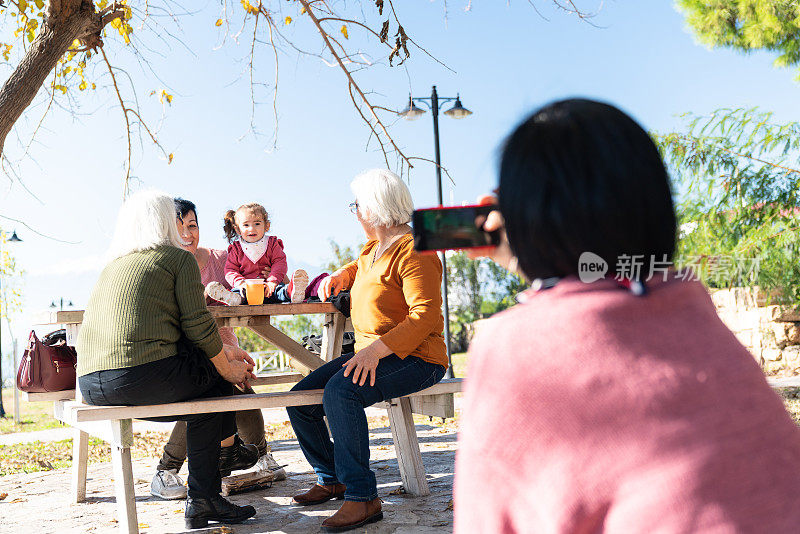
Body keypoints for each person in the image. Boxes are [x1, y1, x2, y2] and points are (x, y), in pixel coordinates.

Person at [454, 99, 800, 533]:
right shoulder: (688, 305)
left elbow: (486, 522)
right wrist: (535, 255)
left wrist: (531, 250)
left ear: (528, 218)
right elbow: (598, 280)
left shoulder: (512, 346)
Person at [76, 190, 259, 529]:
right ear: (164, 222)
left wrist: (225, 356)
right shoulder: (177, 259)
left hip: (91, 385)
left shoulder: (114, 264)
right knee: (216, 385)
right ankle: (206, 493)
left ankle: (222, 463)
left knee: (212, 379)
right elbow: (198, 323)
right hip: (137, 377)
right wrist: (228, 366)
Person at [287, 169, 447, 532]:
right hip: (372, 352)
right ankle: (333, 478)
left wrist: (375, 352)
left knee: (341, 392)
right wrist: (340, 275)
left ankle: (362, 498)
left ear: (374, 209)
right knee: (301, 399)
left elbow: (424, 316)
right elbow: (361, 266)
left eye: (357, 205)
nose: (355, 212)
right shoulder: (375, 248)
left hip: (418, 357)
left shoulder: (416, 250)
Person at [149, 198, 288, 501]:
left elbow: (261, 271)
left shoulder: (220, 257)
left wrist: (272, 277)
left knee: (231, 385)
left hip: (225, 346)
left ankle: (170, 470)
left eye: (193, 225)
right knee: (214, 389)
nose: (187, 233)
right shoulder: (162, 267)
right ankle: (170, 469)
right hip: (187, 353)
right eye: (179, 226)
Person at [207, 202, 307, 305]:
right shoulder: (236, 249)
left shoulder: (272, 244)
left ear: (266, 226)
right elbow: (230, 270)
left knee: (279, 291)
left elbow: (280, 263)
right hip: (246, 290)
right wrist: (240, 283)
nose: (252, 228)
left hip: (268, 289)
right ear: (237, 229)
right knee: (238, 293)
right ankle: (232, 298)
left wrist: (272, 281)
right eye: (246, 225)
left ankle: (293, 292)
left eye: (257, 223)